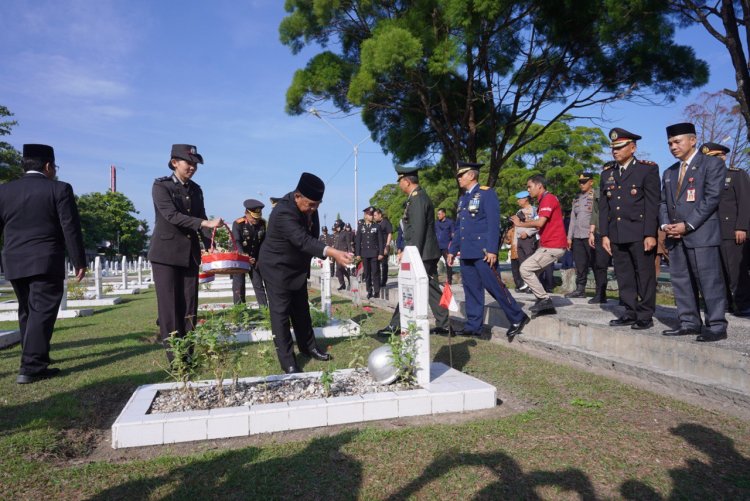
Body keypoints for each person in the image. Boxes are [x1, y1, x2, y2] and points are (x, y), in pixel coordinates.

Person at [0, 144, 87, 384]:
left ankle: (35, 356)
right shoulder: (59, 189)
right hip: (45, 259)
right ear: (48, 166)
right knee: (41, 311)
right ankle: (32, 366)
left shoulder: (4, 191)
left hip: (14, 261)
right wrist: (79, 260)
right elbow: (70, 227)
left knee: (27, 310)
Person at [258, 172, 353, 373]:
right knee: (281, 315)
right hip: (277, 268)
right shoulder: (283, 211)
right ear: (297, 196)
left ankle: (308, 346)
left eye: (317, 205)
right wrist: (332, 252)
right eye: (310, 205)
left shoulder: (310, 206)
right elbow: (302, 240)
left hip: (297, 267)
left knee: (301, 310)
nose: (313, 209)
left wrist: (319, 249)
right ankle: (288, 361)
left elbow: (313, 235)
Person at [148, 144, 223, 363]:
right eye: (188, 163)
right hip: (166, 256)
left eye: (195, 164)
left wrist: (210, 243)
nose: (192, 167)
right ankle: (176, 359)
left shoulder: (196, 189)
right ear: (174, 163)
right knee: (170, 308)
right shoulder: (161, 187)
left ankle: (188, 355)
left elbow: (201, 219)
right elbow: (172, 216)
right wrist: (204, 222)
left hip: (189, 255)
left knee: (190, 305)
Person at [660, 123, 727, 342]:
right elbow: (663, 202)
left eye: (677, 141)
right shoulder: (670, 172)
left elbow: (711, 198)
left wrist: (687, 225)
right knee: (681, 280)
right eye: (670, 143)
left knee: (709, 281)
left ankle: (716, 325)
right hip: (674, 236)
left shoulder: (712, 164)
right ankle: (689, 322)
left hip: (701, 234)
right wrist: (665, 225)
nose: (672, 146)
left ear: (693, 140)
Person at [449, 162, 530, 340]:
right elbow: (459, 228)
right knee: (471, 290)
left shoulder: (486, 194)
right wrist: (452, 250)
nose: (459, 179)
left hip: (483, 251)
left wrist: (493, 250)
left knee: (495, 286)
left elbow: (494, 224)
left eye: (461, 175)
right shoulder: (462, 199)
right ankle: (473, 326)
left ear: (471, 175)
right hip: (467, 251)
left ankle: (518, 317)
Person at [376, 166, 450, 336]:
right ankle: (444, 323)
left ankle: (396, 325)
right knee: (431, 288)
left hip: (421, 253)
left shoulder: (417, 199)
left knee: (408, 287)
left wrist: (410, 255)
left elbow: (418, 230)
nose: (399, 185)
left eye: (400, 181)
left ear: (406, 181)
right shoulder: (415, 198)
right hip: (424, 252)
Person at [599, 128, 660, 330]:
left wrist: (650, 233)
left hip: (639, 232)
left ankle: (645, 314)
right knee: (623, 274)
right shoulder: (608, 173)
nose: (615, 151)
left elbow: (652, 204)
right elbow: (604, 207)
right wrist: (605, 234)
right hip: (617, 232)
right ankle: (629, 311)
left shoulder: (647, 170)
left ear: (632, 148)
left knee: (644, 274)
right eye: (613, 148)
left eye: (620, 147)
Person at [701, 142, 750, 317]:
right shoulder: (704, 179)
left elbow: (745, 202)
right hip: (711, 231)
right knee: (718, 271)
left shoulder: (736, 175)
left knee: (736, 270)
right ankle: (726, 303)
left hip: (732, 231)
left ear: (723, 157)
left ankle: (743, 303)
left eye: (715, 157)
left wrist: (742, 227)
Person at [511, 174, 567, 316]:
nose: (528, 190)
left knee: (524, 269)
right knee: (532, 272)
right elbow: (541, 225)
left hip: (553, 245)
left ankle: (544, 300)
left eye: (530, 187)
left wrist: (520, 224)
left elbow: (540, 222)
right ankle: (543, 303)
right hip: (548, 245)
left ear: (539, 186)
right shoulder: (543, 200)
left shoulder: (548, 199)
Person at [231, 199, 268, 307]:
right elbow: (236, 242)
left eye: (258, 217)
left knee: (258, 285)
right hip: (240, 259)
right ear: (246, 213)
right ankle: (239, 312)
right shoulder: (238, 224)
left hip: (255, 259)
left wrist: (259, 259)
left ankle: (264, 310)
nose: (256, 220)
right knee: (239, 286)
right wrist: (244, 257)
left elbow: (263, 243)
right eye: (253, 217)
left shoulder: (262, 223)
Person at [566, 173, 597, 299]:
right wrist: (569, 237)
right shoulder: (577, 199)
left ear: (591, 182)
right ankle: (580, 289)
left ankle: (600, 292)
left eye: (584, 181)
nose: (582, 184)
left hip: (591, 236)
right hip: (578, 236)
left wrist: (594, 233)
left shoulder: (596, 196)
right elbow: (573, 219)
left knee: (596, 264)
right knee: (580, 264)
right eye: (580, 182)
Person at [587, 174, 610, 304]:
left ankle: (627, 297)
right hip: (600, 232)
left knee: (622, 266)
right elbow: (595, 212)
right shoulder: (598, 191)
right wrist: (591, 232)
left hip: (619, 231)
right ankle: (600, 294)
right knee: (600, 265)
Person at [510, 191, 538, 292]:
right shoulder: (519, 212)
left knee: (530, 262)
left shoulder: (534, 210)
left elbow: (537, 225)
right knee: (522, 263)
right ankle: (525, 285)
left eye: (519, 199)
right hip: (519, 240)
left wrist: (527, 233)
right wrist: (514, 242)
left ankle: (532, 286)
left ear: (526, 199)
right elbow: (516, 228)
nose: (518, 201)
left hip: (528, 240)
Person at [355, 206, 384, 299]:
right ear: (365, 216)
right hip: (364, 253)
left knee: (375, 272)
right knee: (367, 273)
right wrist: (358, 254)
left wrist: (381, 253)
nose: (372, 216)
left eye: (372, 215)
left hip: (374, 253)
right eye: (370, 215)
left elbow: (380, 241)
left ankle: (376, 291)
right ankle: (369, 290)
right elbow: (358, 241)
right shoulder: (361, 227)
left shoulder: (377, 226)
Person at [373, 208, 393, 291]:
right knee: (376, 265)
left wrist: (387, 246)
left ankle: (383, 281)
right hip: (377, 247)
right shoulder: (376, 224)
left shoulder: (386, 222)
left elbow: (389, 234)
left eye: (375, 215)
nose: (374, 217)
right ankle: (376, 281)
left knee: (384, 265)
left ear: (380, 215)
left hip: (384, 246)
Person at [434, 208, 455, 284]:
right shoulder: (436, 223)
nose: (438, 215)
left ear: (444, 214)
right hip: (437, 247)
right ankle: (435, 279)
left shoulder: (450, 222)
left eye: (439, 214)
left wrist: (453, 245)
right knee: (433, 262)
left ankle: (449, 281)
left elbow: (453, 234)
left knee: (448, 263)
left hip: (446, 247)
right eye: (437, 214)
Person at [332, 220, 352, 290]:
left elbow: (348, 243)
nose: (336, 228)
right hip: (337, 254)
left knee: (340, 268)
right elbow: (336, 244)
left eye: (337, 227)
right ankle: (342, 284)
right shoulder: (337, 234)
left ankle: (349, 278)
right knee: (339, 270)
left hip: (343, 253)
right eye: (336, 227)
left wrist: (350, 252)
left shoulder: (345, 233)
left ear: (341, 226)